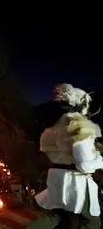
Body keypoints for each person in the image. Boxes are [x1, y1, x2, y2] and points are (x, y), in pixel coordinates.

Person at [27, 83, 103, 229]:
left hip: (56, 178)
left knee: (55, 216)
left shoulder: (58, 124)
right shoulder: (80, 125)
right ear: (82, 105)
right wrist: (100, 160)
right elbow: (85, 164)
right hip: (75, 181)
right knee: (91, 222)